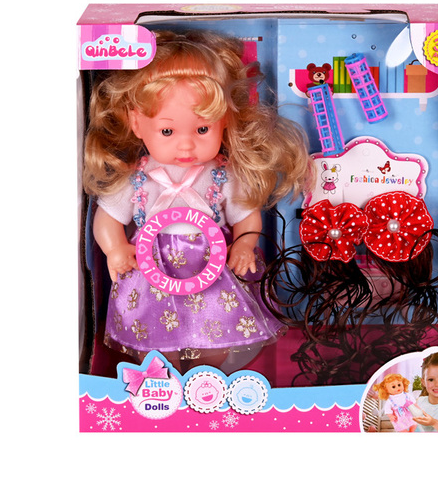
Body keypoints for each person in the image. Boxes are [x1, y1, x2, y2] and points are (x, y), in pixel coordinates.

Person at [83, 30, 312, 373]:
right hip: (151, 270)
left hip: (212, 269)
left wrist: (244, 245)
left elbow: (247, 216)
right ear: (136, 123)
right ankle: (163, 381)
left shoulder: (222, 174)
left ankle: (208, 378)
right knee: (154, 335)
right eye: (167, 131)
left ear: (225, 121)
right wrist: (115, 248)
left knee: (215, 331)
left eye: (202, 129)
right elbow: (107, 217)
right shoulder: (136, 178)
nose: (186, 145)